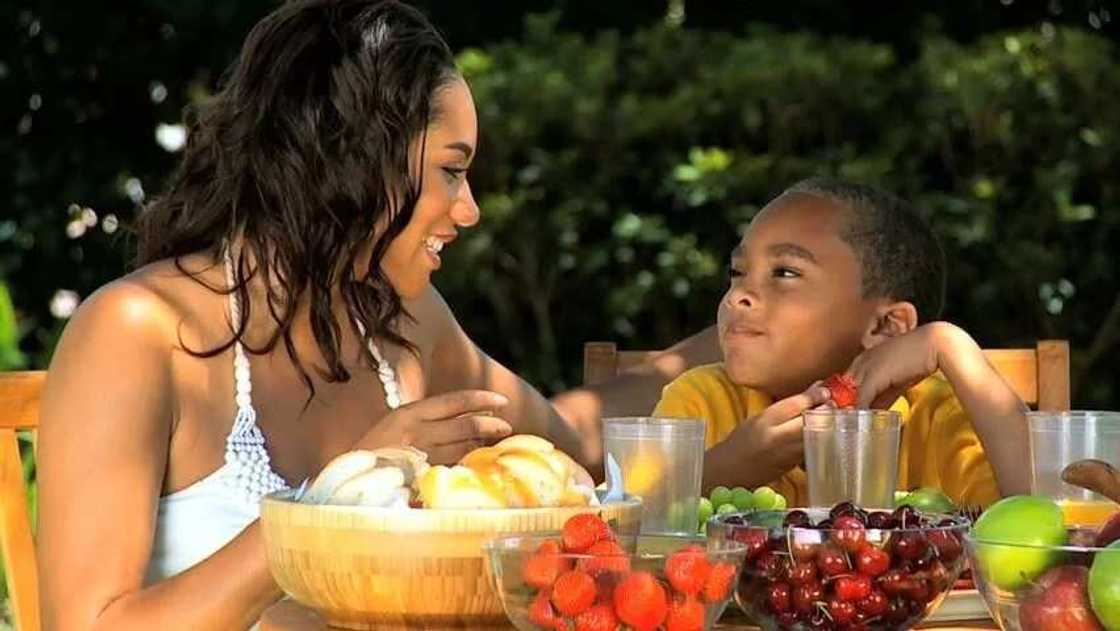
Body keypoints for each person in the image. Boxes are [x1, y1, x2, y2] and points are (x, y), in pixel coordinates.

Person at [36, 2, 718, 628]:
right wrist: (337, 495)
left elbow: (581, 443)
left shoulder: (401, 319)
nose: (470, 208)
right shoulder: (139, 333)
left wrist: (735, 343)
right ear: (355, 158)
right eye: (451, 170)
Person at [653, 177, 1031, 508]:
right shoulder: (700, 401)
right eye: (737, 272)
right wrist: (731, 465)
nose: (737, 297)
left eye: (784, 272)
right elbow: (623, 530)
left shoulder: (939, 414)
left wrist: (949, 345)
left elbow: (1047, 525)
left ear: (887, 325)